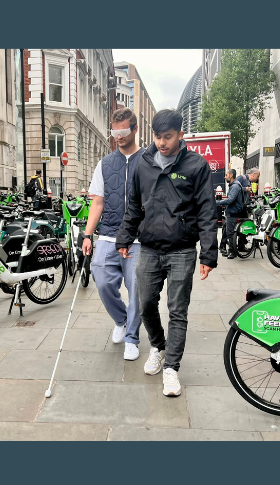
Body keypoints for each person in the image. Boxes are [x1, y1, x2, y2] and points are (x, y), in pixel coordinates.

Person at [116, 109, 218, 397]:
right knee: (145, 303)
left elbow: (208, 212)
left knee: (178, 311)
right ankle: (158, 347)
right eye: (158, 136)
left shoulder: (196, 166)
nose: (162, 142)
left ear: (180, 135)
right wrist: (124, 237)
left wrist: (208, 255)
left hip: (182, 250)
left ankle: (171, 368)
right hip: (148, 247)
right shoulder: (143, 164)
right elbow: (133, 206)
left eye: (168, 137)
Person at [82, 108, 146, 361]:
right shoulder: (105, 163)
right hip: (108, 234)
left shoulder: (149, 160)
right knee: (103, 279)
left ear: (134, 129)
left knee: (137, 289)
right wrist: (87, 235)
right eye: (114, 131)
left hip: (139, 238)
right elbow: (98, 202)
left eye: (123, 131)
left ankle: (132, 336)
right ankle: (121, 319)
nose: (118, 136)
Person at [218, 169, 248, 259]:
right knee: (228, 231)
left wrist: (217, 202)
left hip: (233, 212)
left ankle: (232, 252)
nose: (225, 176)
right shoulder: (234, 185)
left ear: (231, 175)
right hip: (233, 212)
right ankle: (226, 248)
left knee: (230, 233)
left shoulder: (235, 186)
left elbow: (230, 200)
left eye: (226, 175)